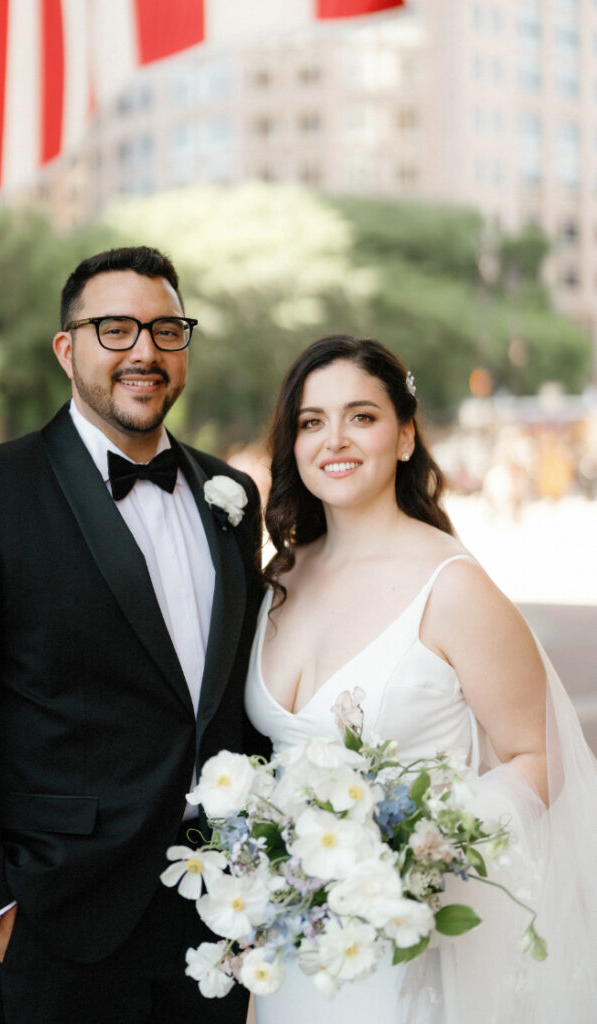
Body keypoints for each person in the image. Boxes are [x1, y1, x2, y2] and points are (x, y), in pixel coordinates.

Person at [0, 246, 266, 1024]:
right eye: (114, 329)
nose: (144, 352)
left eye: (166, 330)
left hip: (215, 915)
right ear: (67, 349)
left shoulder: (231, 496)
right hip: (56, 917)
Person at [244, 335, 597, 1023]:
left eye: (361, 416)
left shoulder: (451, 586)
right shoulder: (278, 578)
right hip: (298, 953)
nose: (333, 439)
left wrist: (414, 855)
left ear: (405, 436)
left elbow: (539, 755)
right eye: (311, 422)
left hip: (411, 946)